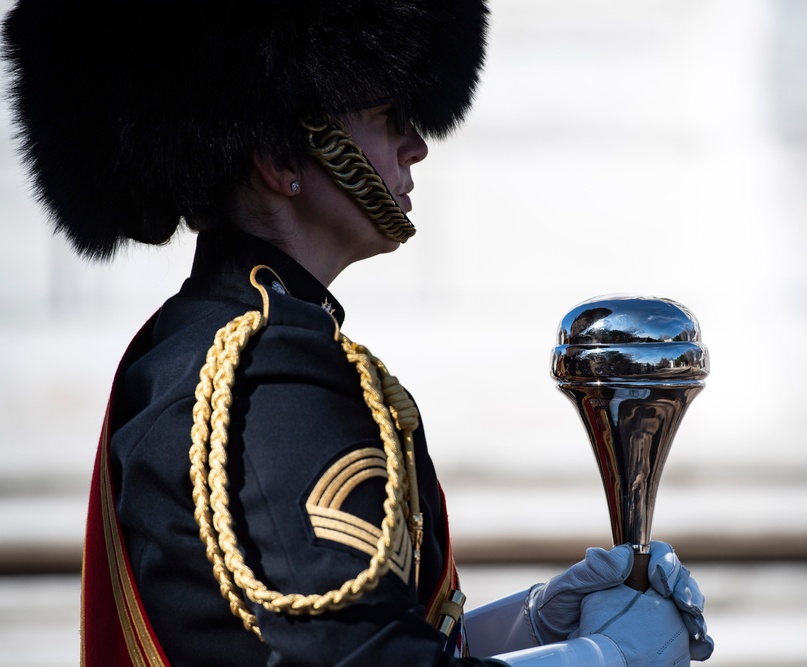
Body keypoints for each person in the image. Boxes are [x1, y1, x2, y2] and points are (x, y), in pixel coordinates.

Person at [3, 1, 713, 665]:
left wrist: (535, 621)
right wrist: (608, 658)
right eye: (385, 114)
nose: (415, 146)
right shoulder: (263, 384)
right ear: (283, 160)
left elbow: (364, 635)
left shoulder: (235, 345)